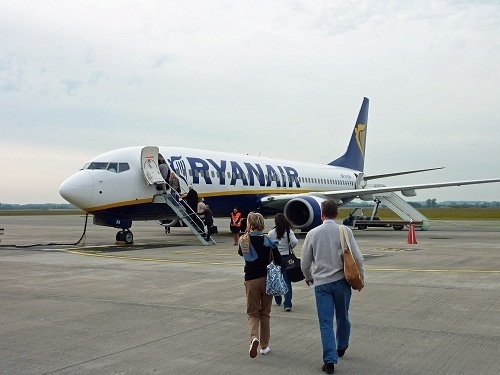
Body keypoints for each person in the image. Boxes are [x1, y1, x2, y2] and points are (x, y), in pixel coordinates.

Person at [301, 200, 364, 374]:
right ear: (336, 214)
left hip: (322, 284)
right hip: (342, 282)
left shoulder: (312, 234)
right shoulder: (345, 231)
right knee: (343, 315)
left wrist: (308, 276)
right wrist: (361, 279)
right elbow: (358, 258)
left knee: (325, 322)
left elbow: (305, 262)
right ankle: (342, 345)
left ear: (321, 214)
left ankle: (329, 360)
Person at [238, 212, 282, 358]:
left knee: (253, 313)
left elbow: (241, 253)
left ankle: (253, 338)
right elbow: (279, 260)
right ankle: (264, 346)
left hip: (251, 280)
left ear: (249, 225)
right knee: (265, 314)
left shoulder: (244, 240)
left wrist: (246, 234)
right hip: (267, 280)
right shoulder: (268, 240)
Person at [267, 213, 298, 312]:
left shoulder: (271, 233)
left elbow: (268, 245)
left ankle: (278, 299)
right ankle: (288, 304)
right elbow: (295, 242)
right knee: (287, 281)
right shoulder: (288, 231)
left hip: (276, 258)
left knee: (276, 279)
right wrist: (290, 247)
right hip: (287, 258)